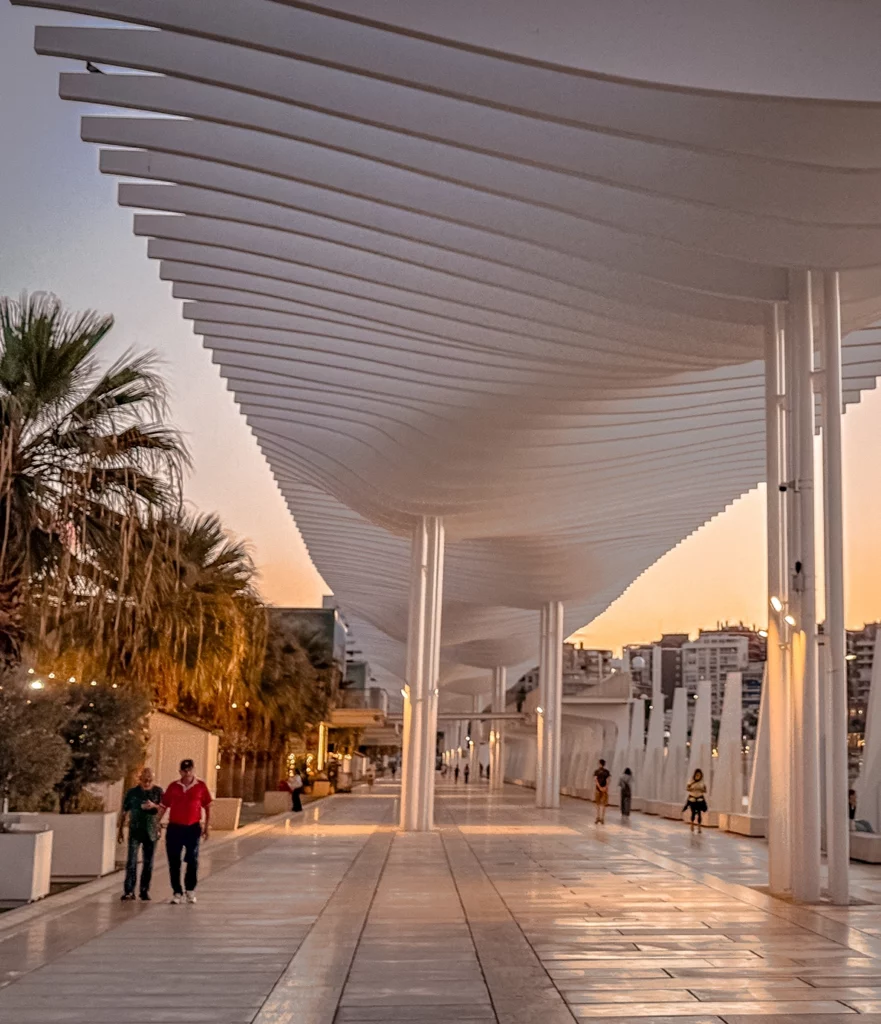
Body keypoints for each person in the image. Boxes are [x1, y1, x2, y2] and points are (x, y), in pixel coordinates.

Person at [158, 759, 212, 904]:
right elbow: (164, 806)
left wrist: (207, 826)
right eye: (185, 770)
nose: (187, 773)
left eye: (190, 770)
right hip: (175, 827)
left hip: (193, 827)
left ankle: (190, 889)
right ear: (180, 771)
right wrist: (157, 822)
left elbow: (207, 806)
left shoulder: (200, 786)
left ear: (193, 770)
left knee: (192, 859)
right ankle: (177, 891)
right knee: (174, 861)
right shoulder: (173, 787)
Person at [118, 767, 163, 902]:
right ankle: (129, 890)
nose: (147, 783)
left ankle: (144, 890)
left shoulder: (158, 792)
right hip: (135, 830)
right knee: (131, 861)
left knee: (148, 863)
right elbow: (124, 811)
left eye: (149, 780)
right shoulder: (132, 793)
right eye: (144, 780)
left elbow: (163, 808)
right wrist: (120, 830)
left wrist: (154, 806)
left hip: (151, 831)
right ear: (140, 779)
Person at [594, 759, 611, 824]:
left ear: (600, 764)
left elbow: (595, 780)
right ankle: (602, 818)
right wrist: (605, 787)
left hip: (598, 789)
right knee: (604, 804)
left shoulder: (597, 771)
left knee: (598, 804)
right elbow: (608, 780)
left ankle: (598, 817)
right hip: (605, 790)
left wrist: (600, 787)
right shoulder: (607, 772)